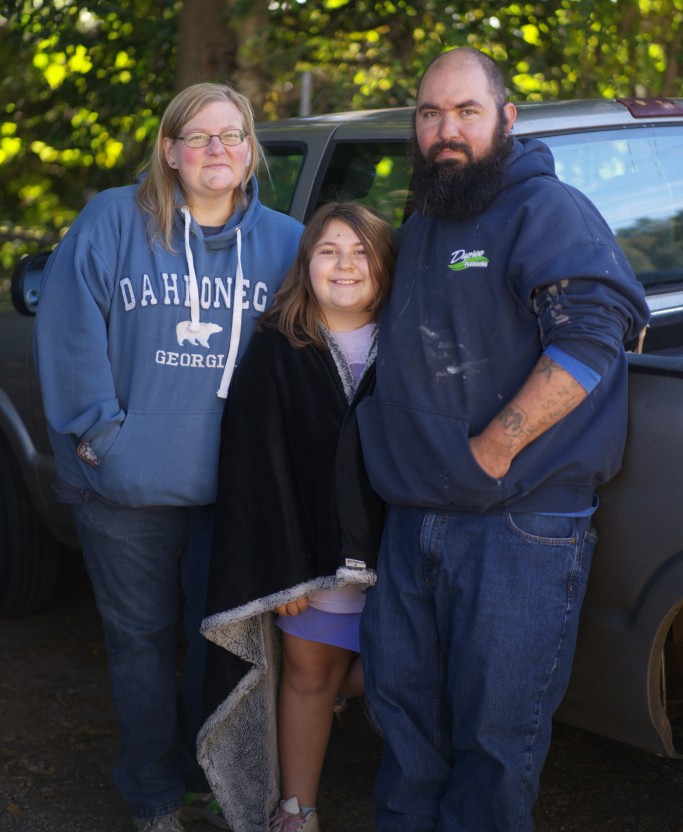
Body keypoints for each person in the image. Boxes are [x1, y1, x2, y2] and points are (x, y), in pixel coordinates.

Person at [356, 48, 651, 832]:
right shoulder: (425, 218)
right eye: (428, 114)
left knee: (493, 747)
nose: (444, 130)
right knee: (404, 732)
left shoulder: (543, 210)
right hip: (414, 518)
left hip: (516, 526)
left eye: (465, 111)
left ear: (506, 119)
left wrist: (493, 446)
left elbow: (594, 336)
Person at [32, 82, 303, 832]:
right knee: (141, 645)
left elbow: (308, 359)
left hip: (238, 488)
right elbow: (67, 335)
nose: (218, 150)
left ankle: (206, 775)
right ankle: (151, 794)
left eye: (233, 136)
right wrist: (104, 442)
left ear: (250, 151)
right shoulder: (111, 221)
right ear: (169, 150)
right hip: (124, 490)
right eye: (200, 136)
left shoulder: (285, 242)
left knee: (221, 643)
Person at [197, 201, 396, 832]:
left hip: (400, 548)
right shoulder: (278, 345)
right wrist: (279, 570)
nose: (345, 265)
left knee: (404, 662)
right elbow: (256, 466)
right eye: (329, 251)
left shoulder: (409, 337)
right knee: (309, 676)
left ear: (385, 264)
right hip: (310, 557)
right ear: (305, 264)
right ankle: (297, 807)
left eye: (361, 251)